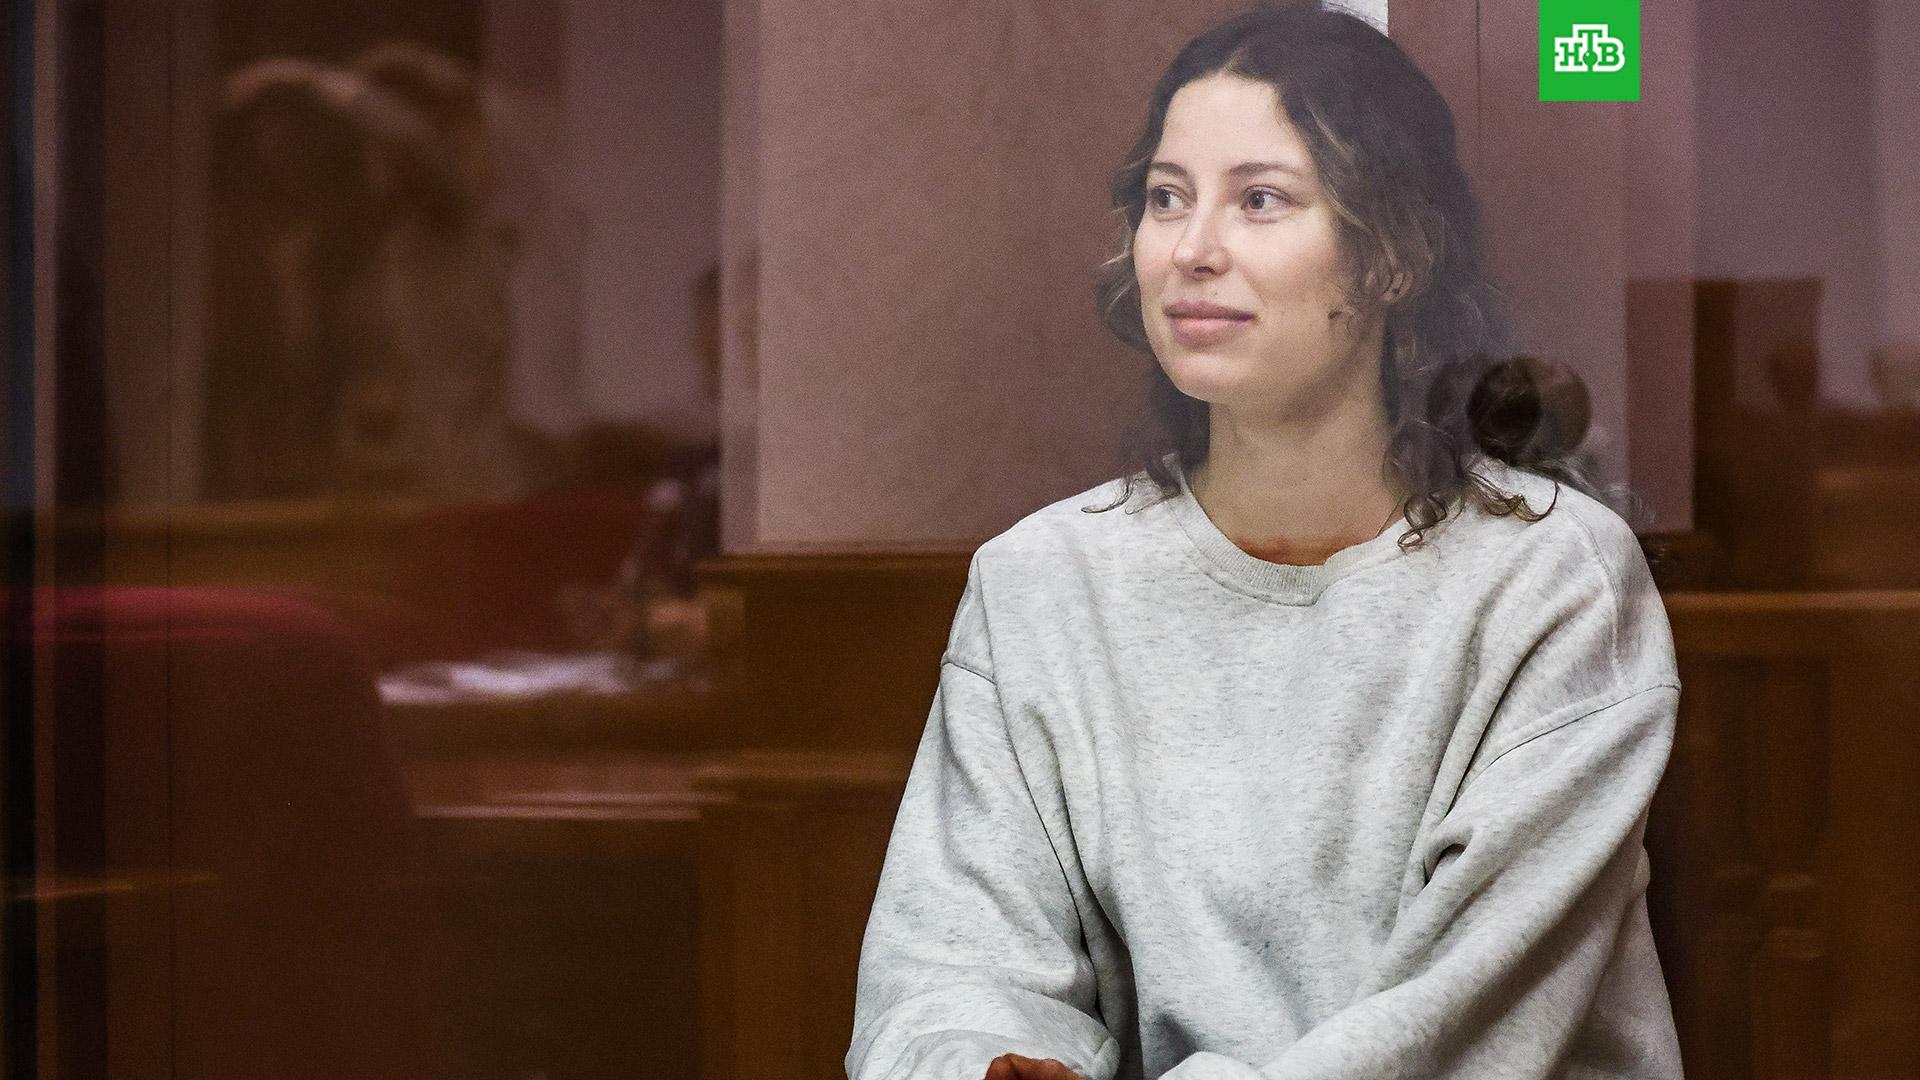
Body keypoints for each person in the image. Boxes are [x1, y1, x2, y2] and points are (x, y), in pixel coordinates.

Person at [845, 4, 1683, 1079]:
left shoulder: (1552, 577)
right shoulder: (1040, 586)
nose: (1193, 251)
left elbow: (1461, 1025)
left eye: (1260, 200)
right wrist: (982, 1061)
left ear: (1394, 256)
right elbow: (948, 969)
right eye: (1166, 198)